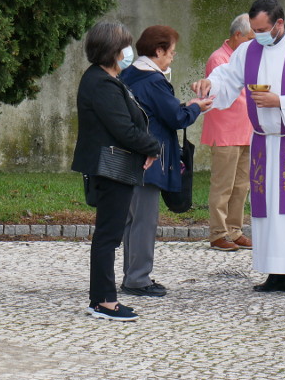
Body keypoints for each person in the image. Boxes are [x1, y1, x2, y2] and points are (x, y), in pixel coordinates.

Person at [191, 0, 285, 297]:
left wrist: (281, 102)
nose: (257, 36)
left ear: (279, 23)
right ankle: (277, 273)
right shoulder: (249, 50)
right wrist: (208, 85)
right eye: (253, 30)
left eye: (262, 29)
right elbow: (226, 79)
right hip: (264, 142)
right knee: (267, 211)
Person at [71, 22, 160, 321]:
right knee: (108, 236)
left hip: (115, 166)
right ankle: (104, 302)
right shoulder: (101, 83)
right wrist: (153, 147)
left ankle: (103, 299)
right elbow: (123, 128)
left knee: (108, 235)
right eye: (125, 46)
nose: (128, 52)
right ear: (112, 50)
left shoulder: (105, 79)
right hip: (111, 168)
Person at [120, 25, 213, 297]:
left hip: (131, 155)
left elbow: (158, 111)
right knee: (144, 221)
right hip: (150, 158)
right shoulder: (154, 80)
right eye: (171, 52)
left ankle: (132, 274)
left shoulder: (129, 74)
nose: (173, 57)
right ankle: (138, 279)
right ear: (158, 51)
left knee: (131, 220)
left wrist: (183, 106)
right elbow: (175, 118)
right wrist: (195, 107)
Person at [202, 14, 255, 252]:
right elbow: (220, 93)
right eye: (250, 37)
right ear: (237, 35)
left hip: (245, 130)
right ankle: (218, 233)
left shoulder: (247, 58)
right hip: (225, 132)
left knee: (241, 185)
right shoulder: (219, 58)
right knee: (223, 185)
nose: (254, 43)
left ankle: (235, 229)